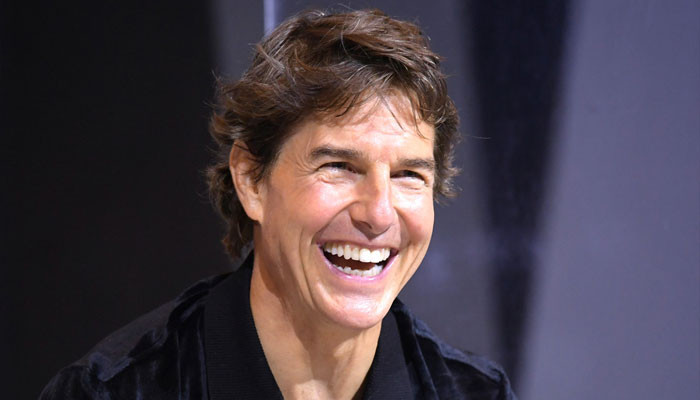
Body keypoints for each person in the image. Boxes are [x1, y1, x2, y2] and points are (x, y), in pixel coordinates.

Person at [41, 9, 516, 399]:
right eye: (339, 166)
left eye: (408, 175)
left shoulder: (476, 393)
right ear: (251, 180)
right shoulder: (116, 391)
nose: (377, 213)